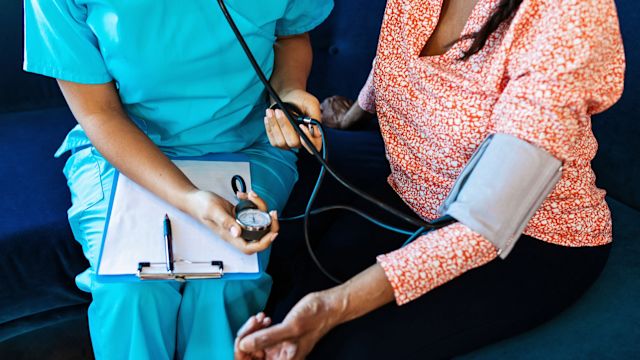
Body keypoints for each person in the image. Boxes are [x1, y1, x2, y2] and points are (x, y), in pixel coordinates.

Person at [235, 0, 626, 358]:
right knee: (285, 307)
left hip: (529, 238)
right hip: (411, 198)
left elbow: (485, 222)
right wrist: (353, 114)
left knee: (345, 347)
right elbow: (396, 59)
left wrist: (331, 307)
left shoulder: (570, 13)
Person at [23, 0, 333, 359]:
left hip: (248, 144)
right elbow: (99, 112)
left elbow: (291, 34)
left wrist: (289, 94)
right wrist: (189, 198)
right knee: (131, 289)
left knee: (227, 283)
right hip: (125, 147)